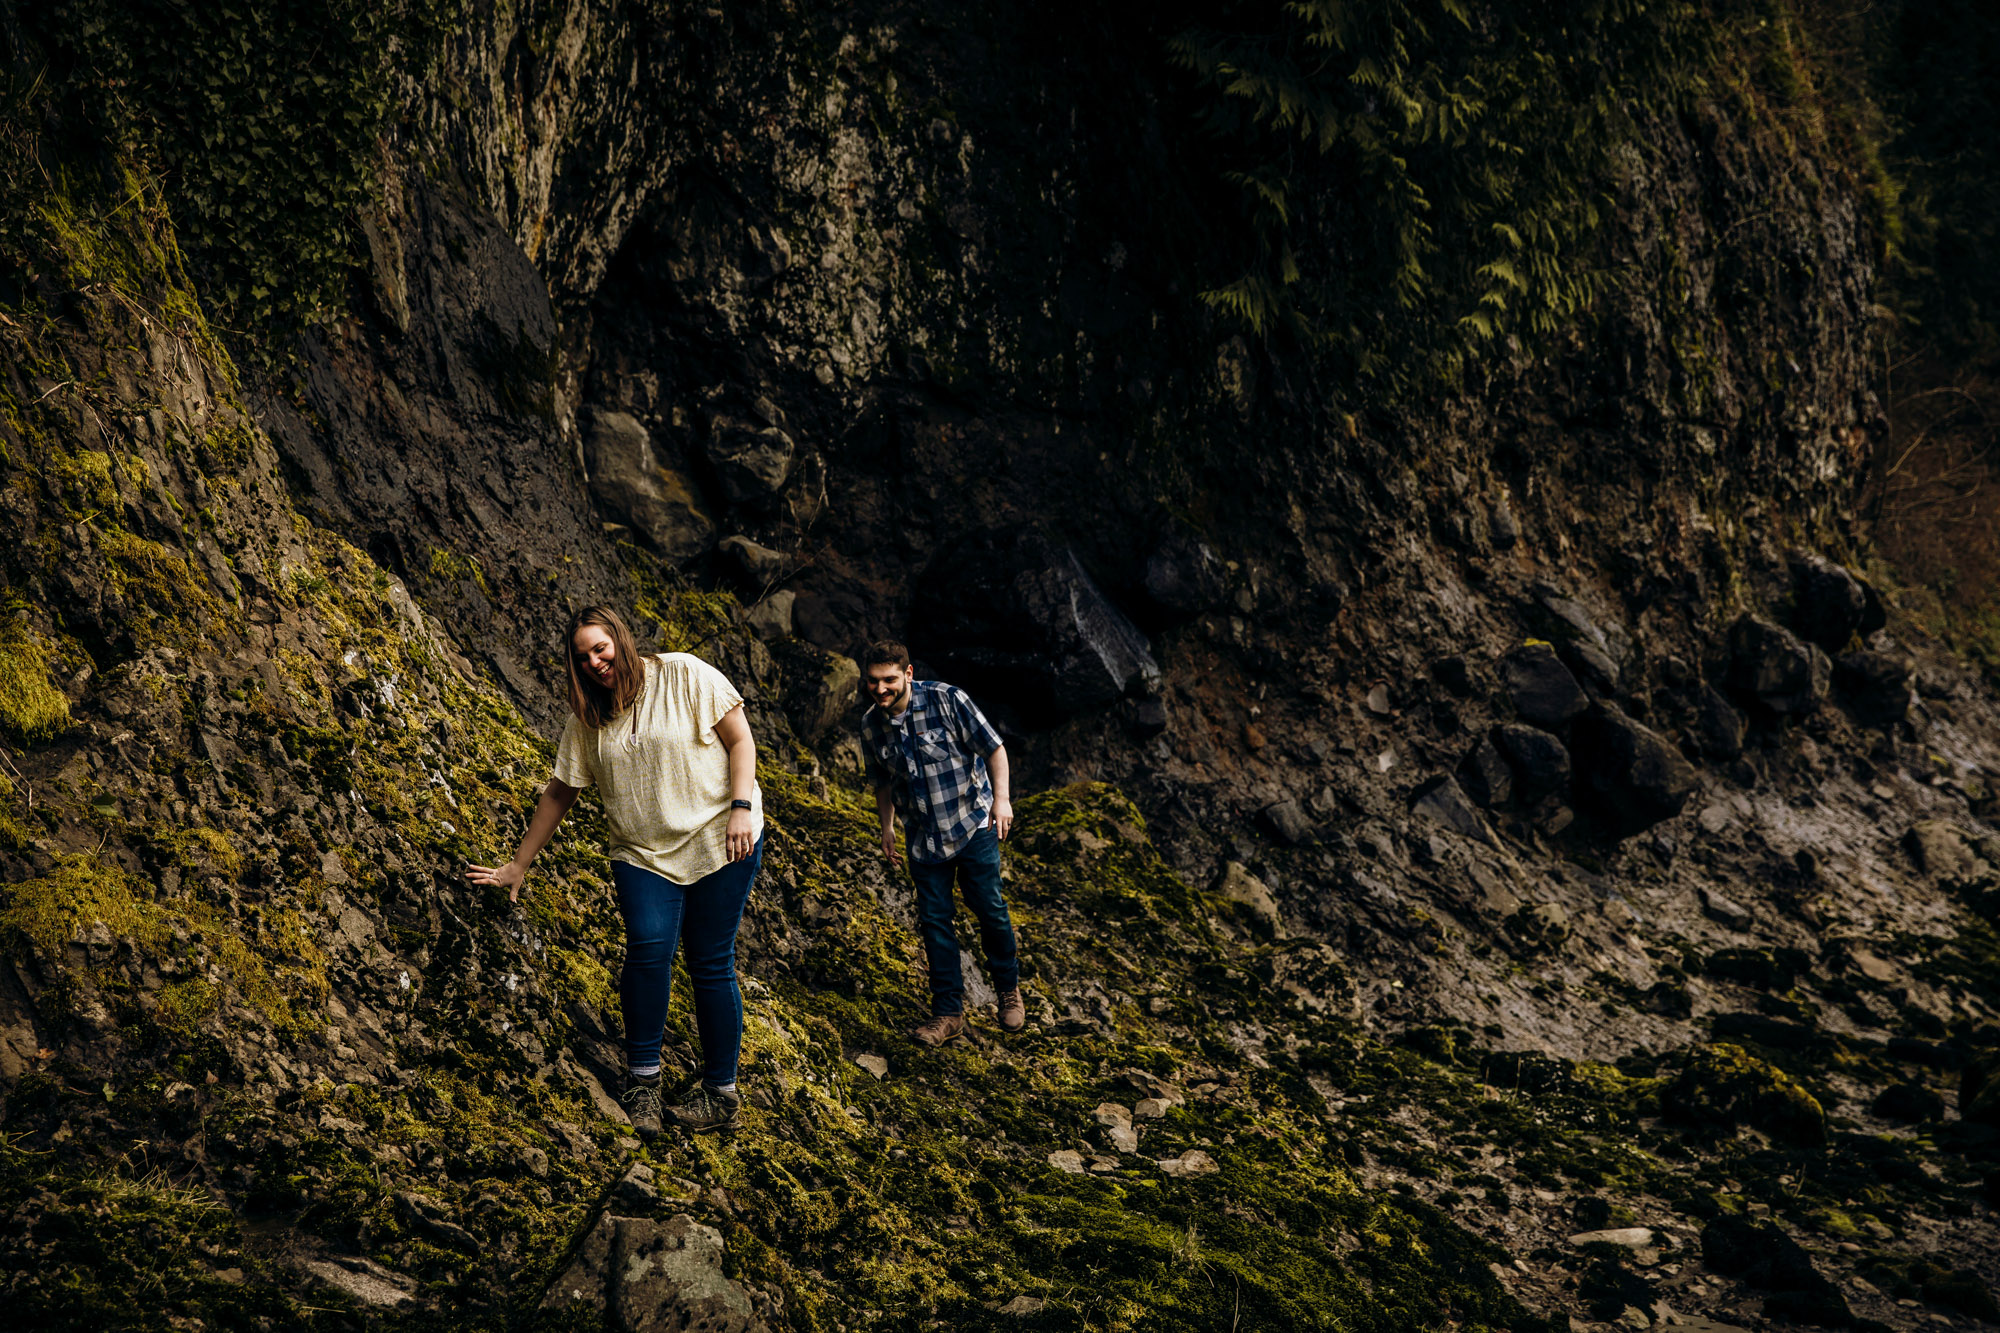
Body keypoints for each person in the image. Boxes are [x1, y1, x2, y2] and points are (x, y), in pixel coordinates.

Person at [466, 606, 763, 1138]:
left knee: (709, 962)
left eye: (600, 649)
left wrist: (741, 806)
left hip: (722, 837)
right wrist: (518, 864)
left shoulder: (685, 673)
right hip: (642, 852)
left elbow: (740, 739)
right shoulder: (587, 718)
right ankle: (643, 1082)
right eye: (582, 658)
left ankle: (721, 1095)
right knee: (649, 949)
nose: (595, 663)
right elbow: (560, 792)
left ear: (620, 641)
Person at [861, 641, 1025, 1045]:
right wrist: (887, 828)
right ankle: (948, 1013)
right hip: (922, 839)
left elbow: (994, 749)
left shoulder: (948, 700)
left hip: (973, 824)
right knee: (935, 923)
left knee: (990, 909)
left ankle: (1008, 990)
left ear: (908, 674)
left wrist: (1002, 801)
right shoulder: (870, 724)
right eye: (873, 681)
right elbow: (882, 781)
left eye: (889, 680)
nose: (881, 689)